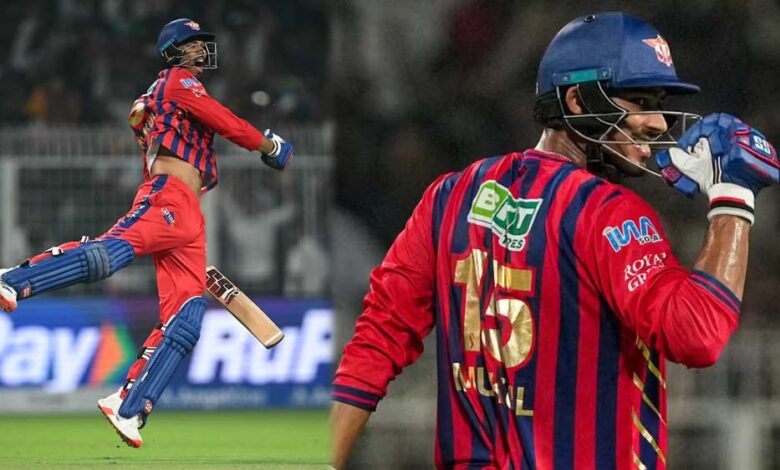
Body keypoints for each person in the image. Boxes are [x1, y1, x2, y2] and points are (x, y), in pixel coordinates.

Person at [330, 12, 779, 469]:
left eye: (659, 103)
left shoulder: (451, 196)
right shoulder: (608, 213)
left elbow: (377, 341)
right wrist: (733, 199)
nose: (658, 122)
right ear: (577, 100)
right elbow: (698, 335)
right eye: (640, 100)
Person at [0, 18, 294, 448]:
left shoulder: (165, 94)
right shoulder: (177, 81)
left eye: (203, 44)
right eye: (193, 44)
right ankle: (13, 280)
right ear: (173, 50)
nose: (202, 50)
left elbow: (158, 122)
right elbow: (226, 122)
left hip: (190, 213)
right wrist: (270, 146)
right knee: (106, 256)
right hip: (167, 197)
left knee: (186, 319)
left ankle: (128, 404)